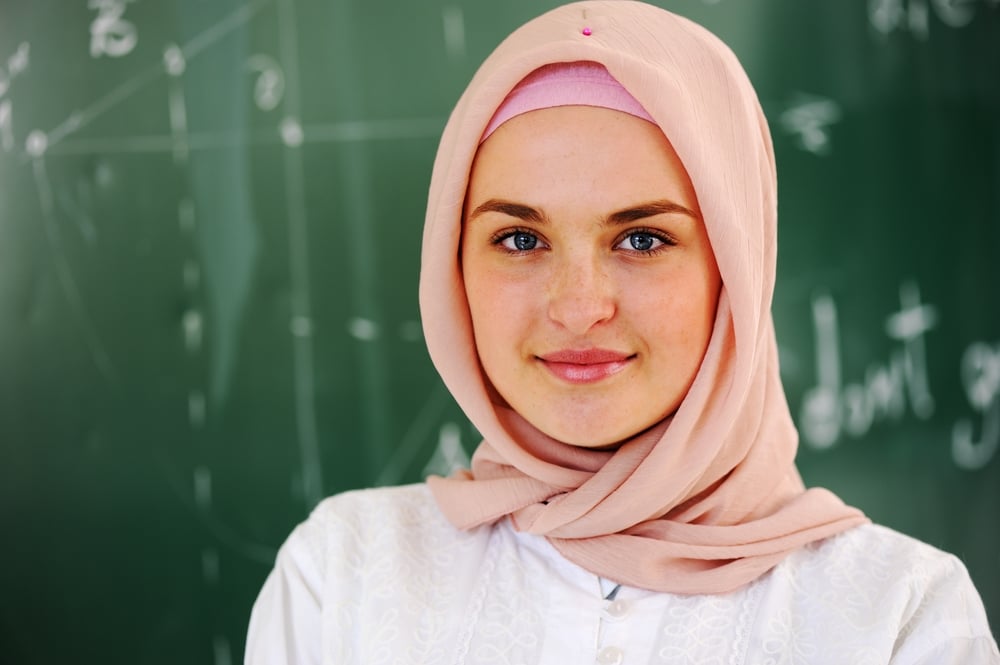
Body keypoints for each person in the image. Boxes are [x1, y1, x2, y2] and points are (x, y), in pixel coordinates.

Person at [245, 2, 999, 662]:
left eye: (641, 239)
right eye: (518, 239)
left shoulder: (904, 618)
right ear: (454, 268)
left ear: (734, 271)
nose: (578, 307)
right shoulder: (341, 579)